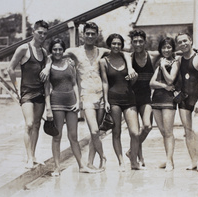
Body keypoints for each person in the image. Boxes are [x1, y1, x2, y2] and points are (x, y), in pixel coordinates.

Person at [40, 22, 137, 170]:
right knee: (94, 131)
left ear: (97, 35)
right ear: (83, 35)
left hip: (101, 95)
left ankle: (91, 161)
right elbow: (54, 54)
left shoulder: (102, 51)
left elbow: (124, 53)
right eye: (88, 33)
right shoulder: (75, 52)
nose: (90, 36)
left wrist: (130, 67)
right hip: (85, 95)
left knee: (96, 132)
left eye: (93, 34)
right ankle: (103, 157)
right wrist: (47, 67)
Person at [45, 38, 99, 176]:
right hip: (56, 102)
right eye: (55, 49)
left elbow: (75, 83)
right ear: (51, 50)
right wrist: (48, 109)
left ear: (64, 50)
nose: (58, 52)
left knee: (73, 136)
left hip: (71, 103)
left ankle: (81, 166)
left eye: (60, 49)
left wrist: (77, 101)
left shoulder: (70, 64)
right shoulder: (48, 66)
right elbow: (46, 89)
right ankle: (57, 168)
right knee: (57, 136)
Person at [99, 33, 144, 171]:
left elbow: (132, 81)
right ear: (109, 44)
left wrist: (134, 76)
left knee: (135, 133)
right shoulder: (104, 61)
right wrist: (106, 101)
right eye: (114, 43)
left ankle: (134, 161)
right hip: (113, 100)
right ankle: (120, 162)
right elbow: (105, 82)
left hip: (129, 97)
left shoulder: (127, 58)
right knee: (116, 132)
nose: (116, 46)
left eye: (119, 44)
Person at [8, 20, 49, 169]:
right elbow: (10, 69)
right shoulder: (24, 49)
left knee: (37, 125)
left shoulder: (44, 52)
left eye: (45, 33)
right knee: (29, 124)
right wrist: (16, 88)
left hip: (40, 92)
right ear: (33, 32)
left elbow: (50, 63)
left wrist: (47, 68)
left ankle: (33, 156)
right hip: (26, 92)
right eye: (40, 32)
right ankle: (28, 158)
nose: (42, 36)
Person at [175, 33, 198, 174]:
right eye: (180, 42)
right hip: (183, 101)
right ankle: (194, 161)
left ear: (191, 41)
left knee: (197, 131)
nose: (183, 44)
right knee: (188, 132)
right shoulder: (178, 60)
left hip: (197, 100)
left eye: (185, 41)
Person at [125, 30, 159, 167]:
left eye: (140, 41)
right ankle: (138, 156)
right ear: (132, 43)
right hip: (131, 98)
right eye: (135, 41)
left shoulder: (152, 55)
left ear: (145, 42)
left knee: (147, 126)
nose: (138, 44)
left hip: (146, 97)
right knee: (135, 130)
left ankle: (131, 151)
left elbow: (171, 52)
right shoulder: (129, 57)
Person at [150, 37, 179, 172]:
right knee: (163, 132)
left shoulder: (175, 62)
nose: (166, 50)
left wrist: (162, 67)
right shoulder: (159, 62)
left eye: (168, 47)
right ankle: (169, 159)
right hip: (156, 99)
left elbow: (170, 79)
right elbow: (151, 83)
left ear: (173, 48)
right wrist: (162, 85)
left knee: (168, 132)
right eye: (164, 47)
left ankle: (169, 161)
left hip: (168, 100)